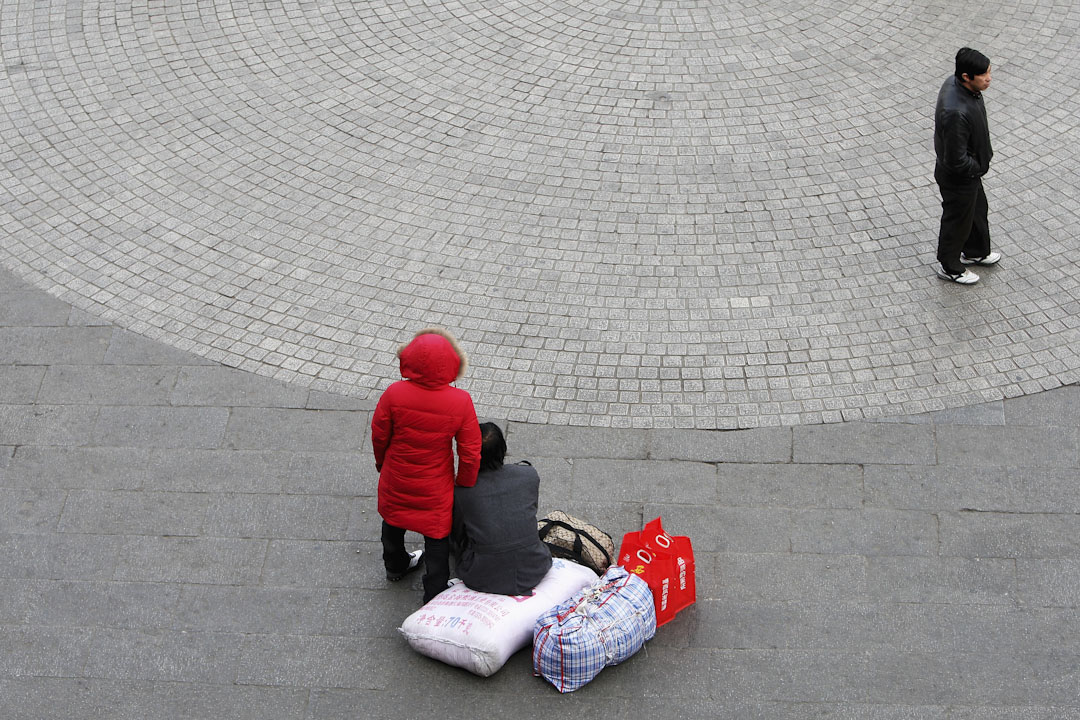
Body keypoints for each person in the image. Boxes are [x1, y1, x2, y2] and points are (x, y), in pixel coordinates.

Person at [372, 328, 481, 603]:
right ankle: (434, 590)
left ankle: (395, 565)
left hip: (397, 474)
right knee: (436, 533)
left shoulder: (394, 393)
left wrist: (381, 463)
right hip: (435, 481)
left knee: (393, 519)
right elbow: (470, 451)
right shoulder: (460, 401)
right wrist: (464, 483)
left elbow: (379, 433)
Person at [451, 423, 552, 596]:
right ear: (503, 449)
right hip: (535, 566)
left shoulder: (461, 491)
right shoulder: (528, 474)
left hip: (482, 575)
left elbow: (458, 534)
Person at [934, 47, 999, 284]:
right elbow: (955, 159)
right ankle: (950, 267)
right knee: (957, 220)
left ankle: (975, 251)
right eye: (984, 75)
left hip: (970, 173)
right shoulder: (955, 112)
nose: (989, 79)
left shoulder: (963, 89)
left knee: (977, 211)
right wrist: (976, 168)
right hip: (959, 177)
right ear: (966, 77)